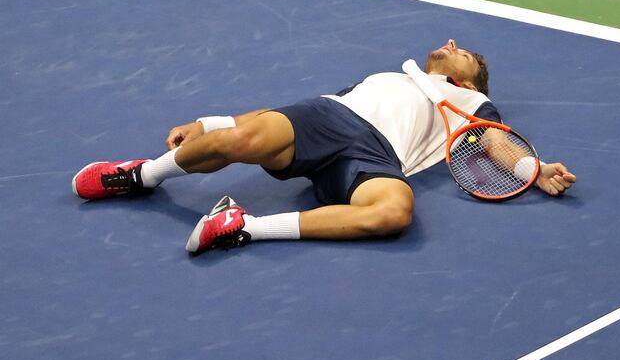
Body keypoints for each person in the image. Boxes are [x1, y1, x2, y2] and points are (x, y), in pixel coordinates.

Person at [72, 39, 577, 254]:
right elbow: (274, 116)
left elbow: (493, 142)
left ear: (468, 82)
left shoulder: (473, 102)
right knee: (242, 139)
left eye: (461, 52)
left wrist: (532, 167)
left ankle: (242, 227)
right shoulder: (389, 76)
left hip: (376, 157)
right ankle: (141, 175)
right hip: (330, 117)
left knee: (394, 212)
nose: (450, 43)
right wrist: (209, 121)